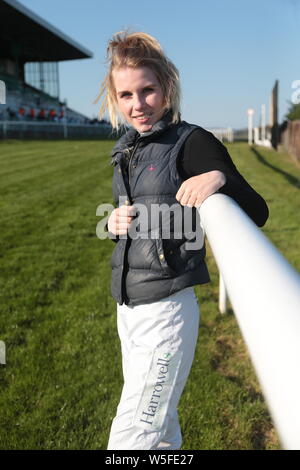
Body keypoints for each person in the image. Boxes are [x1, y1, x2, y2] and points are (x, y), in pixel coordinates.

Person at [95, 31, 269, 450]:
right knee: (159, 427)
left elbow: (257, 210)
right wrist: (117, 220)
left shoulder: (192, 141)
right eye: (126, 95)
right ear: (115, 100)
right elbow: (148, 217)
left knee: (133, 437)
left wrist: (219, 177)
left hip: (166, 314)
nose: (138, 104)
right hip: (128, 308)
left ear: (167, 87)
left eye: (147, 90)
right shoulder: (128, 148)